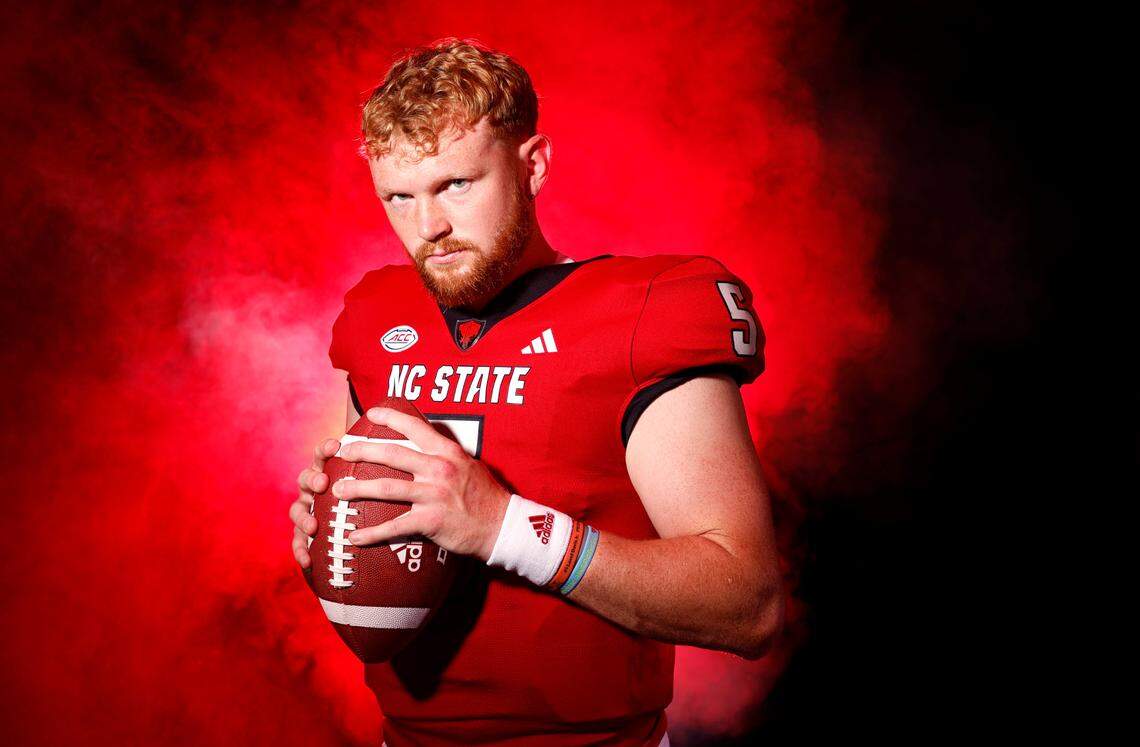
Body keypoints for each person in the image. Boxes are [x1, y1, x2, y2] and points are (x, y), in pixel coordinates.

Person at [289, 37, 784, 747]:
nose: (428, 227)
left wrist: (501, 526)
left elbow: (749, 603)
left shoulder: (648, 308)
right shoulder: (376, 315)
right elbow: (389, 570)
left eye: (455, 185)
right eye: (399, 197)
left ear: (534, 165)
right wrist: (337, 540)